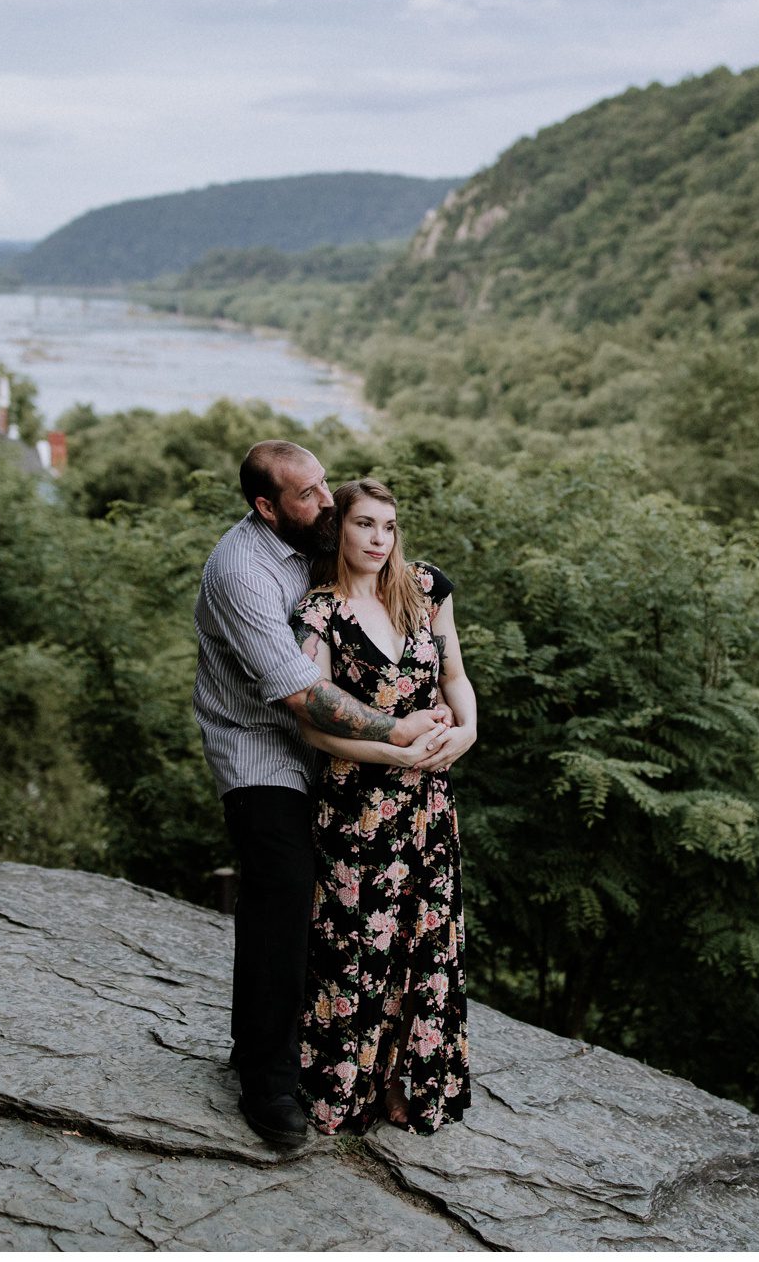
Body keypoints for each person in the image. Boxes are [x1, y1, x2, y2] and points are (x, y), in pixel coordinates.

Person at [193, 442, 450, 1148]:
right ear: (265, 507)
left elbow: (384, 571)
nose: (327, 499)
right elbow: (303, 695)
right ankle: (266, 1079)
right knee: (284, 885)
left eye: (324, 482)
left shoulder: (315, 532)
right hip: (264, 747)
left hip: (343, 756)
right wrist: (400, 730)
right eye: (307, 494)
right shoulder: (241, 571)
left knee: (358, 900)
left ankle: (345, 1060)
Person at [288, 478, 478, 1135]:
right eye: (365, 524)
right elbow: (312, 725)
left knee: (420, 944)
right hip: (357, 806)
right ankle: (352, 1083)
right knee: (358, 945)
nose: (378, 539)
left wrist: (469, 732)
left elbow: (454, 676)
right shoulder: (320, 612)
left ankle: (403, 1079)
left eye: (388, 526)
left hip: (429, 801)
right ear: (339, 528)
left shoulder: (425, 589)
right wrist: (393, 754)